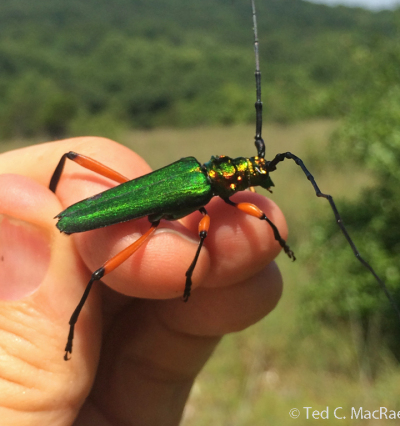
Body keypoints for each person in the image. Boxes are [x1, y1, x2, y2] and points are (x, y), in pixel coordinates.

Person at [0, 137, 286, 425]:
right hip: (132, 215)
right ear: (233, 180)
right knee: (100, 272)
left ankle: (51, 204)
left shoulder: (192, 167)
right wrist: (187, 275)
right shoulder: (201, 188)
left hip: (143, 206)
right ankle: (72, 324)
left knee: (72, 157)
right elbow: (203, 234)